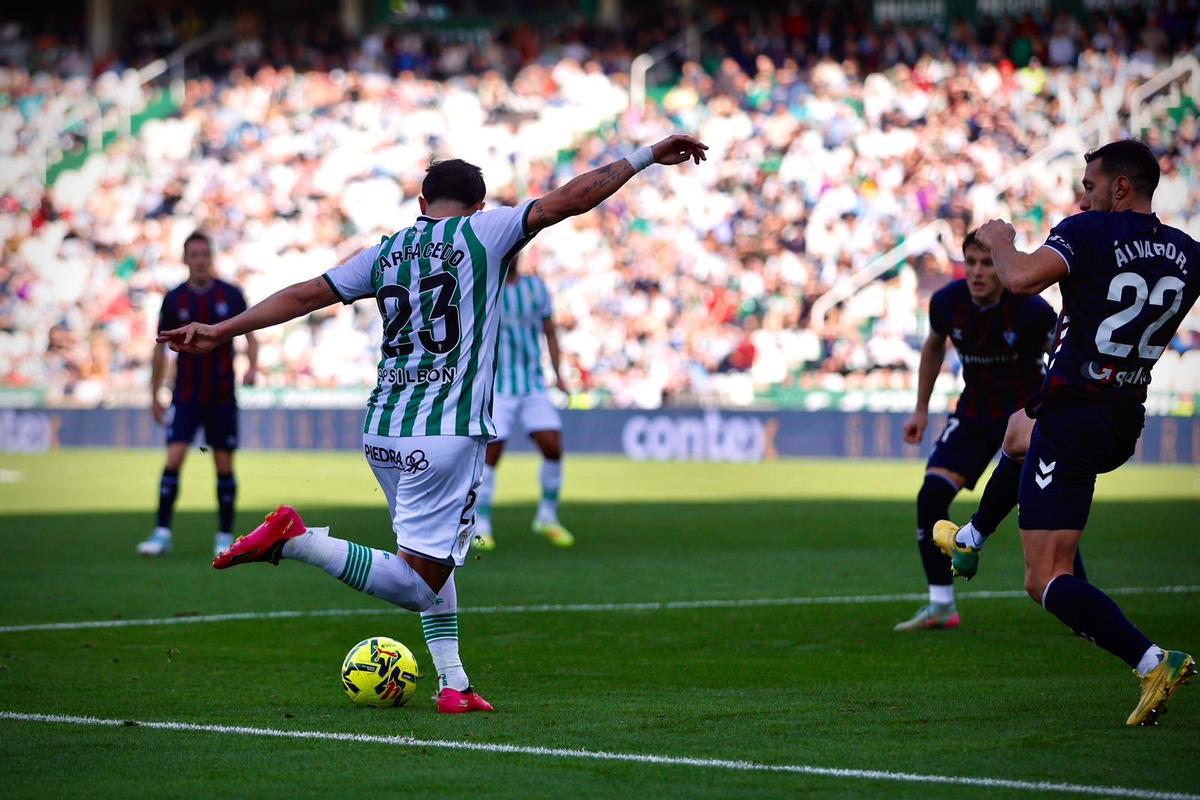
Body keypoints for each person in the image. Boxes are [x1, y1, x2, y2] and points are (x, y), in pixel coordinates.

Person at [157, 136, 709, 714]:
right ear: (477, 206)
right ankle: (298, 540)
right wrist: (646, 157)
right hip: (446, 433)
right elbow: (569, 200)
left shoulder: (387, 252)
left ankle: (454, 684)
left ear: (422, 202)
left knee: (431, 559)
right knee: (417, 581)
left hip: (384, 430)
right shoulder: (486, 233)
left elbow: (305, 294)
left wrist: (223, 331)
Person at [934, 139, 1199, 725]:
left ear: (1120, 187)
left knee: (1044, 578)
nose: (1084, 196)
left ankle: (1152, 661)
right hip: (1119, 412)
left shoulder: (1087, 231)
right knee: (1017, 431)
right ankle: (973, 539)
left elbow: (1024, 279)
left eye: (1090, 185)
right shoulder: (1187, 253)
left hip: (1077, 417)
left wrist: (1001, 241)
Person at [894, 231, 1058, 632]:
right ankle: (940, 605)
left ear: (1003, 268)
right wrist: (920, 408)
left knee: (1042, 509)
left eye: (988, 263)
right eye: (971, 262)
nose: (978, 272)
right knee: (930, 495)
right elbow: (934, 346)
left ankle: (1074, 598)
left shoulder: (1033, 310)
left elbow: (1062, 356)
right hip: (973, 414)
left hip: (1021, 418)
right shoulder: (947, 303)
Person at [138, 232, 257, 558]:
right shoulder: (174, 299)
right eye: (195, 254)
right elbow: (160, 350)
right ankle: (161, 533)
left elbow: (250, 333)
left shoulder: (231, 294)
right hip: (186, 394)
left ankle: (224, 536)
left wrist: (251, 367)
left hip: (221, 394)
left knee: (223, 465)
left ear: (212, 257)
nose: (201, 260)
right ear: (185, 258)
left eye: (206, 254)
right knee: (174, 459)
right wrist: (154, 393)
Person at [473, 259, 573, 551]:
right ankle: (482, 525)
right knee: (492, 452)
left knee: (553, 445)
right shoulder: (486, 287)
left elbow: (550, 331)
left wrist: (559, 376)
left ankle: (547, 517)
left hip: (532, 384)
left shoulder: (536, 287)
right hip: (497, 387)